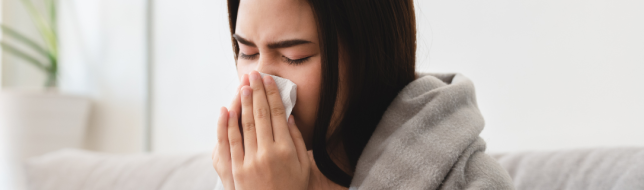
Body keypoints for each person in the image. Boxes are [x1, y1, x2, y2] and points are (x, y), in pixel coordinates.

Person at [211, 0, 515, 189]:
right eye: (246, 52)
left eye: (295, 56)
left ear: (368, 57)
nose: (257, 85)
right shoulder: (246, 177)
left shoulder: (473, 182)